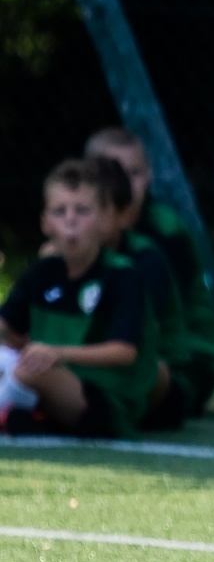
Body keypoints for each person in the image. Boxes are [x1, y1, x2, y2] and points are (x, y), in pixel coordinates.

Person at [0, 159, 156, 438]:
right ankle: (32, 418)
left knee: (29, 371)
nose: (70, 219)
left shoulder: (122, 275)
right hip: (57, 381)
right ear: (45, 223)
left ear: (104, 220)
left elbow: (124, 351)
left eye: (82, 210)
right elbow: (7, 326)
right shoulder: (42, 271)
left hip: (107, 398)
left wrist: (57, 353)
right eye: (60, 211)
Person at [85, 127, 214, 417]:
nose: (124, 185)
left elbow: (140, 329)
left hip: (180, 362)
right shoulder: (75, 238)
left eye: (134, 173)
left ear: (148, 177)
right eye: (113, 174)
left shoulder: (164, 236)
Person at [91, 155, 191, 430]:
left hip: (149, 373)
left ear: (123, 215)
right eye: (63, 211)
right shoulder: (58, 262)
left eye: (90, 211)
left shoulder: (146, 260)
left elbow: (131, 345)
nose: (77, 223)